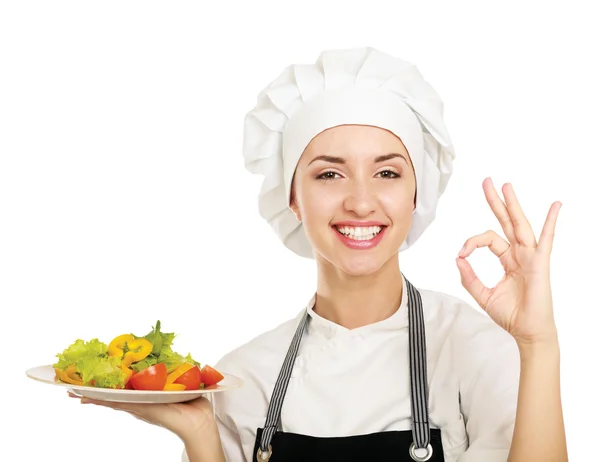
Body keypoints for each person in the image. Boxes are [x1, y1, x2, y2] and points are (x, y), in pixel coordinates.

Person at [70, 47, 568, 462]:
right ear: (292, 197)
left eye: (388, 172)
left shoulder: (474, 350)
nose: (360, 200)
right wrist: (201, 434)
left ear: (419, 193)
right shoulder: (245, 376)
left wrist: (539, 343)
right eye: (329, 174)